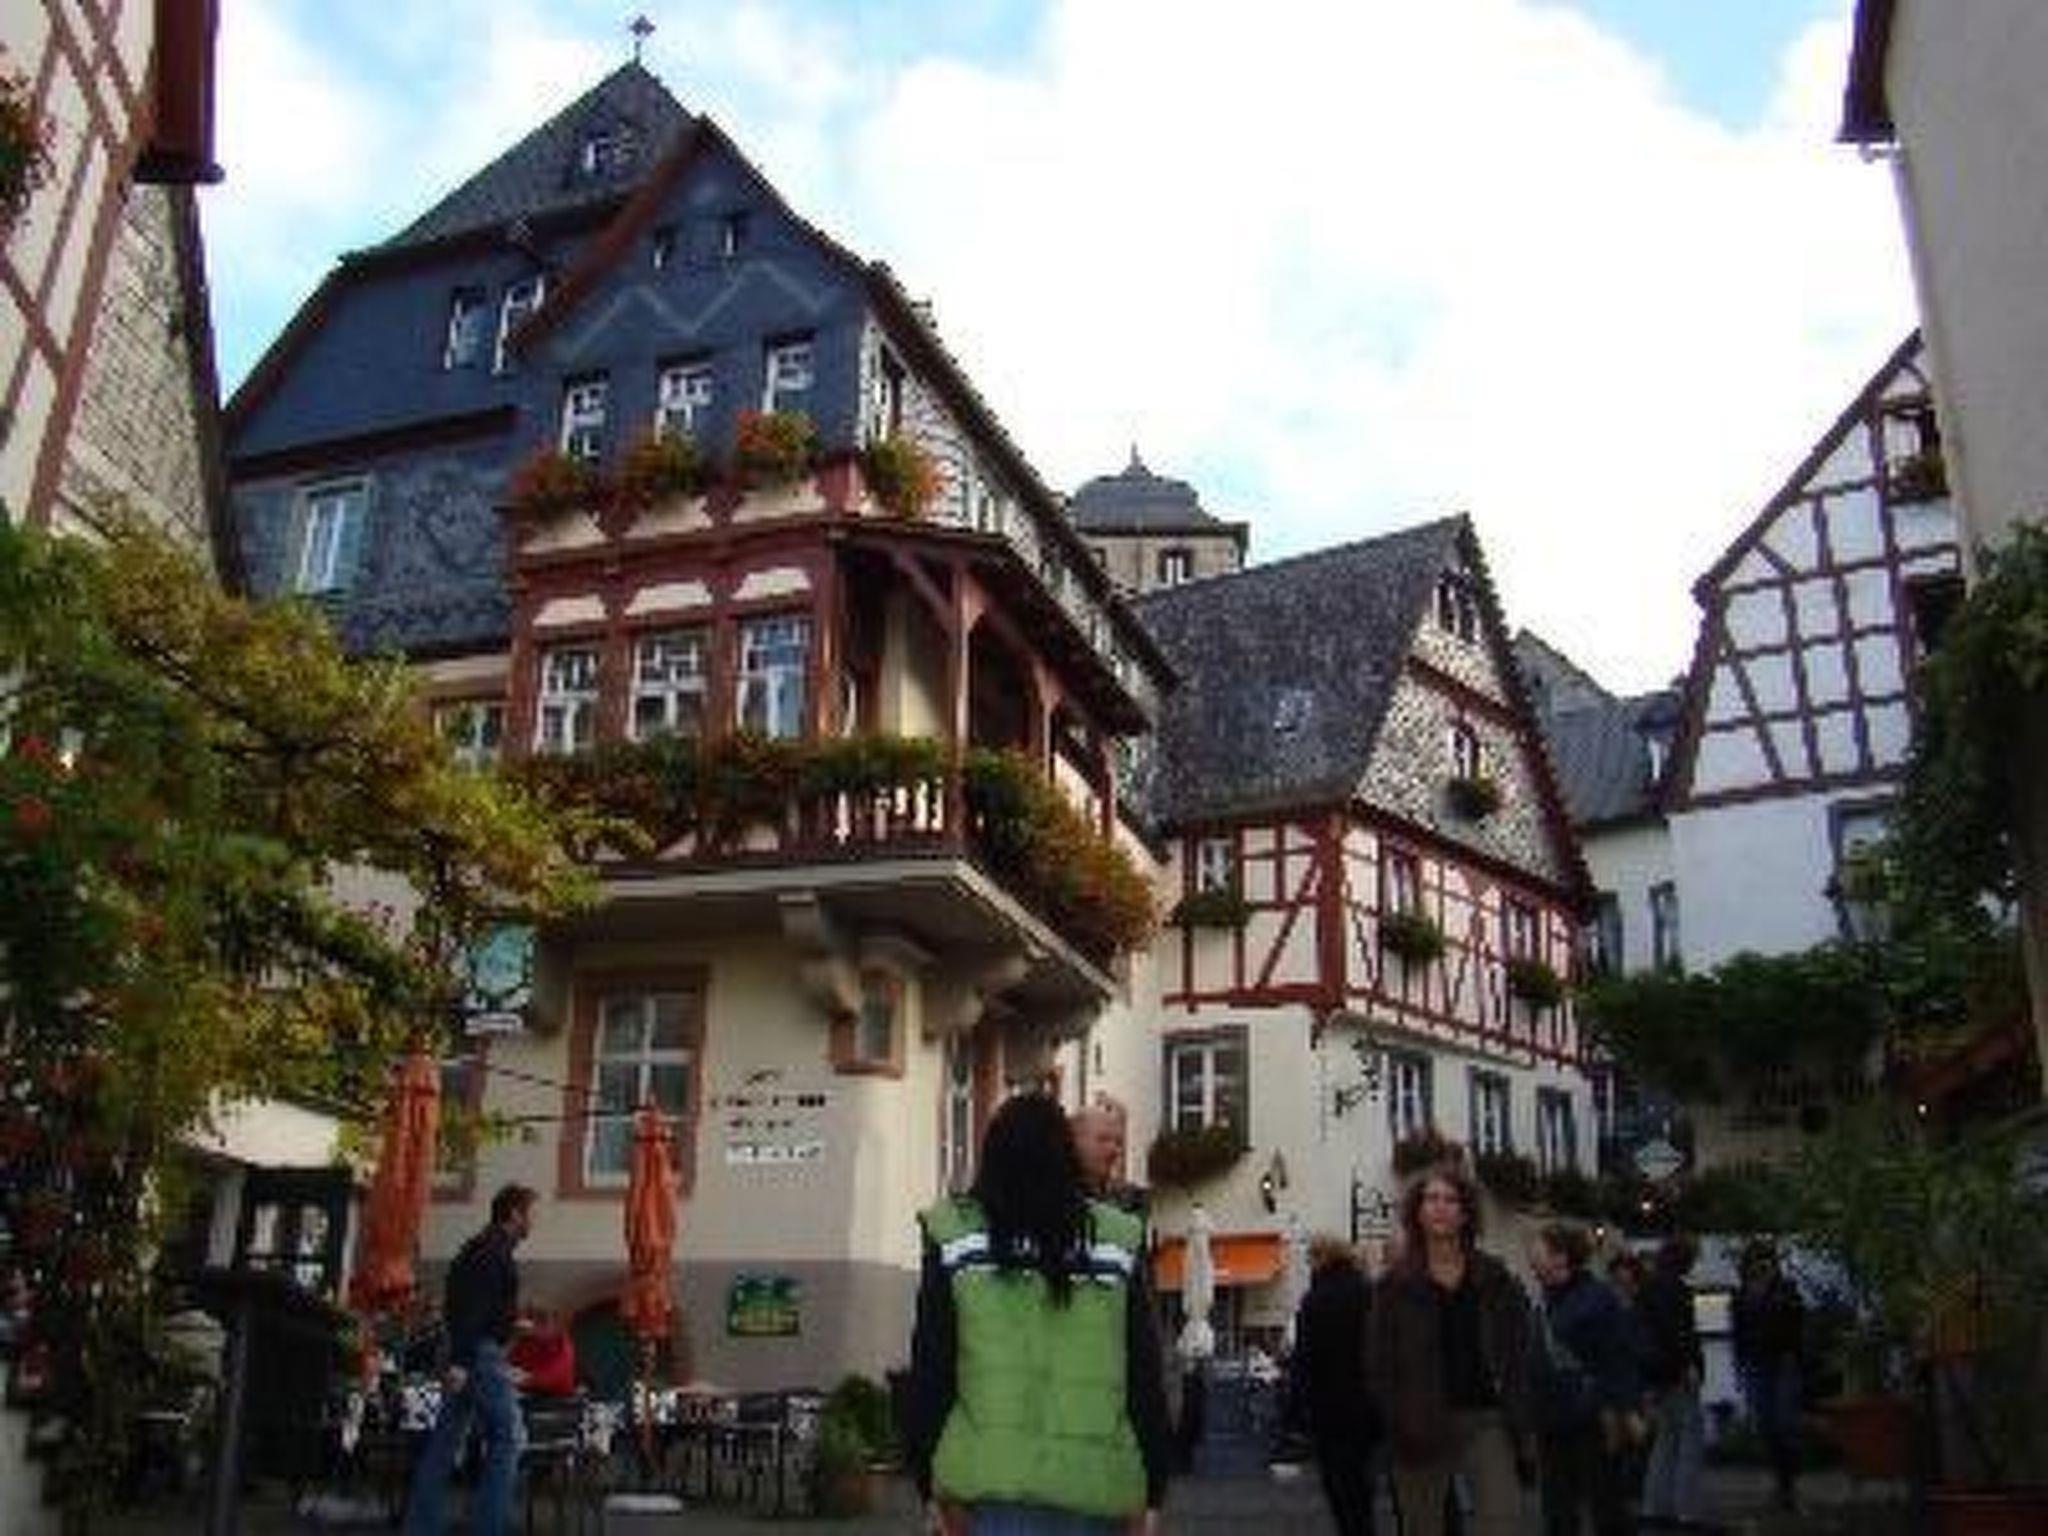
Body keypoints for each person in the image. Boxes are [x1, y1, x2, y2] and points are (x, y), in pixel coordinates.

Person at [906, 1092, 1171, 1534]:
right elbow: (1144, 1372)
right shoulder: (1117, 1239)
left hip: (986, 1483)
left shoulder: (955, 1235)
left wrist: (927, 1486)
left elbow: (932, 1369)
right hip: (1097, 1485)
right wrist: (1154, 1488)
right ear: (1067, 1155)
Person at [1368, 1162, 1535, 1536]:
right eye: (1431, 1199)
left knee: (1503, 1522)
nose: (1440, 1207)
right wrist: (1398, 1416)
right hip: (1420, 1422)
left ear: (1465, 1213)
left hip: (1485, 1419)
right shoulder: (1395, 1285)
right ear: (1417, 1212)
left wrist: (1518, 1410)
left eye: (1451, 1199)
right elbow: (1379, 1362)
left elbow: (1518, 1348)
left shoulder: (1494, 1276)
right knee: (1423, 1527)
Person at [404, 1183, 536, 1536]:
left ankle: (420, 1527)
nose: (534, 1222)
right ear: (514, 1214)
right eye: (531, 1214)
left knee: (445, 1443)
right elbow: (472, 1309)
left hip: (467, 1349)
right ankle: (486, 1526)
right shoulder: (492, 1252)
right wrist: (462, 1361)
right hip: (479, 1353)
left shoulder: (478, 1248)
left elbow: (469, 1305)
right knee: (508, 1437)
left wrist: (509, 1323)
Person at [1529, 1223, 1639, 1536]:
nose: (1531, 1256)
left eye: (1537, 1249)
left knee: (1605, 1506)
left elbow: (1617, 1356)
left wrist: (1622, 1408)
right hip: (1553, 1418)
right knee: (1559, 1509)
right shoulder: (1547, 1299)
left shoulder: (1594, 1298)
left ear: (1560, 1257)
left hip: (1591, 1416)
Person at [1284, 1234, 1379, 1536]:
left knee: (1339, 1484)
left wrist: (1295, 1411)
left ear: (1322, 1258)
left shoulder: (1316, 1299)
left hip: (1328, 1407)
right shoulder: (1369, 1292)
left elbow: (1303, 1358)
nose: (1308, 1264)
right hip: (1367, 1403)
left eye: (1310, 1257)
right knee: (1362, 1482)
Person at [1731, 1239, 1804, 1514]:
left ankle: (1788, 1485)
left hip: (1783, 1361)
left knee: (1784, 1421)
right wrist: (1740, 1362)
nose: (1760, 1266)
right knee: (1765, 1425)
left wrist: (1795, 1356)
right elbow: (1738, 1331)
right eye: (1755, 1261)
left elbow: (1796, 1322)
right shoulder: (1741, 1294)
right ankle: (1782, 1483)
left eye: (1765, 1261)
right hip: (1756, 1362)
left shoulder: (1785, 1289)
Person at [1636, 1236, 1704, 1528]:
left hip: (1655, 1374)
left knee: (1664, 1440)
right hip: (1676, 1373)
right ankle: (1686, 1510)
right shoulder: (1675, 1289)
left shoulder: (1648, 1288)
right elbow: (1679, 1332)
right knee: (1689, 1440)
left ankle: (1654, 1506)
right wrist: (1689, 1365)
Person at [1071, 1096, 1148, 1220]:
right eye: (1103, 1139)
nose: (1115, 1150)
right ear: (1074, 1140)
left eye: (1118, 1142)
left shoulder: (1134, 1202)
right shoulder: (1057, 1200)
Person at [507, 1306, 577, 1398]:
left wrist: (524, 1379)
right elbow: (509, 1360)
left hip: (556, 1399)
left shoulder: (562, 1347)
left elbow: (549, 1379)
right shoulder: (528, 1340)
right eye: (534, 1321)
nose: (535, 1326)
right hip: (525, 1391)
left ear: (558, 1326)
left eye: (543, 1322)